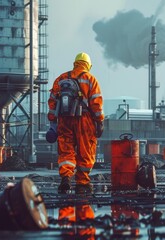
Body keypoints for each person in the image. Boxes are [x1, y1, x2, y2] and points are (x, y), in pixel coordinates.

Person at [48, 52, 104, 194]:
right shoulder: (90, 79)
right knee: (86, 150)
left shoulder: (61, 79)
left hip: (64, 119)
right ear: (88, 65)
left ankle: (66, 178)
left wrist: (53, 122)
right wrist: (100, 121)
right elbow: (96, 104)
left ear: (75, 63)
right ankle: (82, 183)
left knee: (66, 150)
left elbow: (52, 102)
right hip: (84, 120)